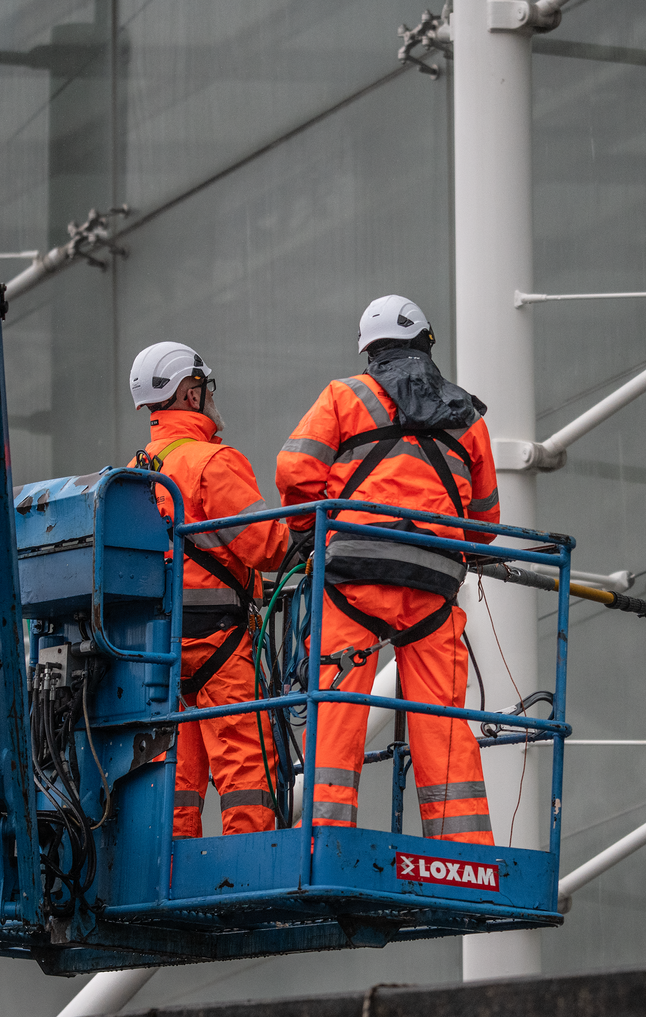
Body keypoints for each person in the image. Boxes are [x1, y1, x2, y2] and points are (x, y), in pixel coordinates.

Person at [276, 296, 500, 844]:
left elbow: (295, 474)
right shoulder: (466, 415)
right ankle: (463, 852)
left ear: (368, 352)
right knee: (442, 722)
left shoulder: (344, 396)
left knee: (338, 712)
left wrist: (320, 522)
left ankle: (323, 840)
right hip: (433, 586)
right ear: (427, 343)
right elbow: (487, 524)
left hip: (354, 576)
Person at [128, 341, 288, 838]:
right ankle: (250, 872)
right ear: (189, 394)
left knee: (174, 774)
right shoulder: (212, 462)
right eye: (204, 387)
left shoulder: (131, 475)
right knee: (246, 767)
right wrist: (311, 535)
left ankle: (170, 872)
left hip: (160, 655)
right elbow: (266, 546)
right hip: (221, 646)